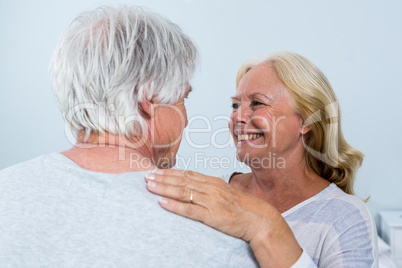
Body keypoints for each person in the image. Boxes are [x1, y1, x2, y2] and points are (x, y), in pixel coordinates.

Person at [0, 6, 259, 267]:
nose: (187, 119)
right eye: (183, 98)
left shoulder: (5, 191)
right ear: (148, 98)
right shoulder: (220, 236)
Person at [145, 51, 379, 267]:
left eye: (257, 103)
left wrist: (264, 225)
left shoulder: (345, 218)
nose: (238, 116)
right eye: (235, 105)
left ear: (307, 120)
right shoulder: (213, 193)